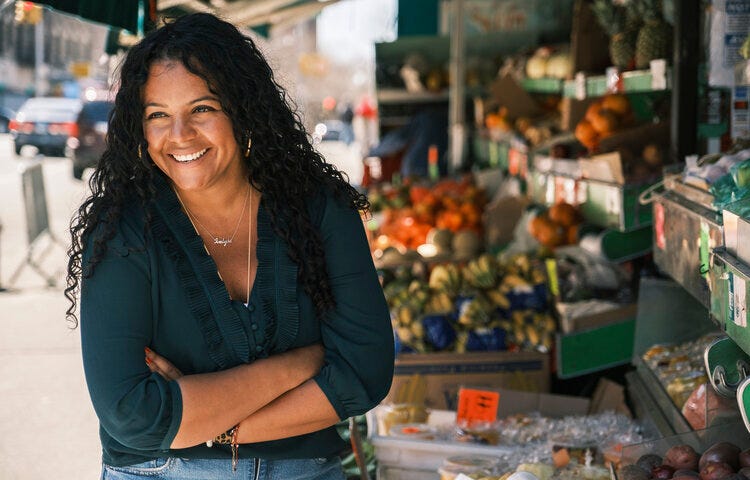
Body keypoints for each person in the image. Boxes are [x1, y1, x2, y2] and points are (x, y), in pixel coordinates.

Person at [65, 13, 394, 480]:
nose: (179, 135)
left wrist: (212, 423)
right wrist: (302, 363)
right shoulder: (123, 230)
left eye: (201, 109)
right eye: (158, 115)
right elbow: (132, 414)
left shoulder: (321, 211)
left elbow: (365, 372)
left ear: (242, 110)